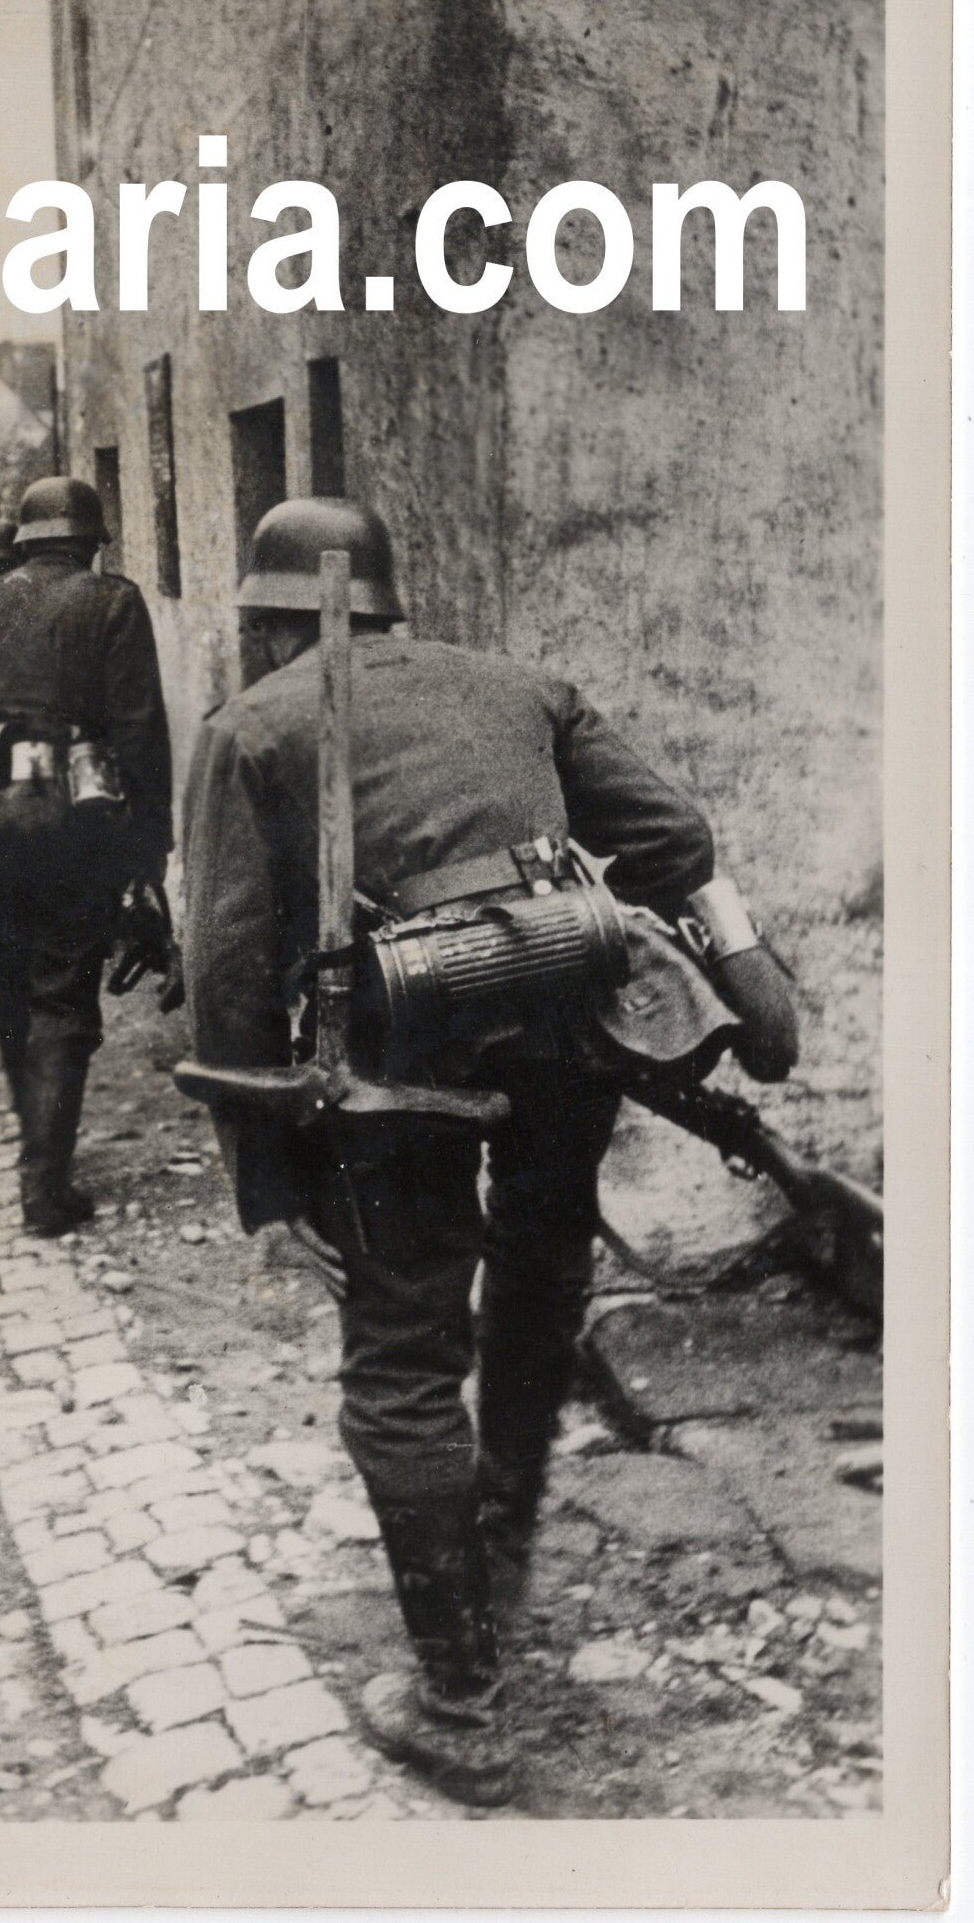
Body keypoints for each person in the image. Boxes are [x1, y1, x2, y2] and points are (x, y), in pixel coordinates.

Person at [182, 496, 803, 1806]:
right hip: (567, 1007)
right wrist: (751, 983)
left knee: (403, 1350)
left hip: (403, 1050)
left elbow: (230, 980)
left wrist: (267, 1181)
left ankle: (459, 1697)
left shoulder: (253, 726)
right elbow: (673, 839)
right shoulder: (523, 683)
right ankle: (496, 1590)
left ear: (276, 619)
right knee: (536, 1295)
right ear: (392, 601)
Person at [0, 475, 173, 1233]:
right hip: (78, 823)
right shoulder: (113, 602)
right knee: (64, 993)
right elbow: (139, 735)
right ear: (91, 540)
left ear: (23, 540)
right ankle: (44, 1184)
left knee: (10, 981)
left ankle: (37, 1150)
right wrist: (148, 853)